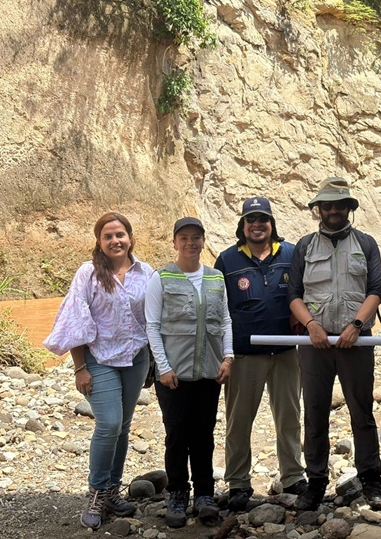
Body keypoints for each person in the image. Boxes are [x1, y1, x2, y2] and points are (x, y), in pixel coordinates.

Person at [43, 212, 153, 530]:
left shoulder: (145, 273)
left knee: (124, 426)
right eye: (108, 236)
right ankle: (95, 492)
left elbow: (154, 319)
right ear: (99, 241)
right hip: (99, 359)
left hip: (136, 359)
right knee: (109, 423)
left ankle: (111, 492)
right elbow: (75, 319)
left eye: (120, 234)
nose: (115, 240)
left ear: (130, 237)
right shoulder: (88, 273)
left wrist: (157, 361)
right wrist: (80, 368)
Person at [287, 176, 381, 511]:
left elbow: (375, 289)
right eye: (326, 205)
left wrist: (357, 325)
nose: (332, 210)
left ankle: (371, 480)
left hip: (356, 342)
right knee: (314, 413)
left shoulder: (367, 243)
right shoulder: (304, 246)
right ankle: (315, 483)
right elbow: (293, 295)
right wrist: (311, 325)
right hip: (315, 344)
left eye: (338, 205)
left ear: (348, 208)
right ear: (319, 209)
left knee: (362, 411)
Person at [215, 197, 307, 511]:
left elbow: (305, 294)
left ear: (272, 223)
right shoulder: (227, 260)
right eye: (251, 220)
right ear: (242, 226)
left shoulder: (292, 253)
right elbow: (218, 310)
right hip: (244, 355)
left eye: (263, 219)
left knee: (289, 417)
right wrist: (222, 353)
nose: (257, 225)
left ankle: (293, 476)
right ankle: (238, 483)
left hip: (285, 351)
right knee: (239, 421)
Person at [145, 217, 235, 528]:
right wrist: (163, 367)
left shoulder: (215, 278)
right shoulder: (161, 278)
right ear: (174, 242)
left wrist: (228, 358)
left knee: (204, 436)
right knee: (177, 436)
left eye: (196, 237)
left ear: (203, 241)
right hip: (173, 377)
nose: (190, 243)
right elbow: (152, 327)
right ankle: (178, 495)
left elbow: (225, 322)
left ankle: (205, 495)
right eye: (184, 238)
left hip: (209, 373)